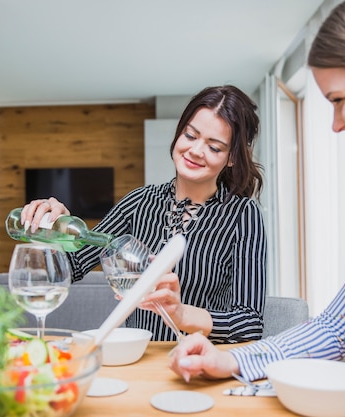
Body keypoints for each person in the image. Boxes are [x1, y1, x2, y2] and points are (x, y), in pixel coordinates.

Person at [169, 0, 345, 415]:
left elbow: (248, 318)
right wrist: (232, 360)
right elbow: (336, 327)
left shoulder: (242, 215)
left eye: (340, 99)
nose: (336, 124)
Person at [21, 85, 267, 343]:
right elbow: (68, 269)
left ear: (231, 158)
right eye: (190, 135)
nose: (195, 150)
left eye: (214, 147)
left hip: (198, 364)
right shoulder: (138, 202)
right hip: (137, 358)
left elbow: (249, 324)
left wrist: (181, 313)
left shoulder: (243, 215)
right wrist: (54, 231)